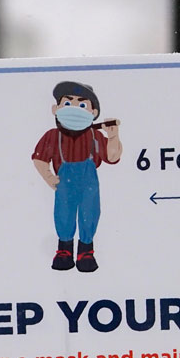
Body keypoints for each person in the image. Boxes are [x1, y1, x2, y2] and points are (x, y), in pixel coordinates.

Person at [31, 81, 122, 272]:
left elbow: (112, 156)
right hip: (64, 183)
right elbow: (39, 159)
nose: (74, 109)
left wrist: (113, 137)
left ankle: (86, 251)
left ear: (93, 113)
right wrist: (49, 177)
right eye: (67, 103)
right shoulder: (52, 135)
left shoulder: (95, 136)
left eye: (82, 105)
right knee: (64, 213)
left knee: (90, 212)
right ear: (55, 109)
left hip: (88, 182)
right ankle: (64, 250)